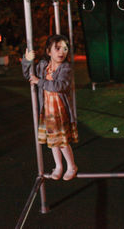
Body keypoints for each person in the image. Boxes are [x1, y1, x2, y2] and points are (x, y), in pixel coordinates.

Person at [22, 35, 78, 181]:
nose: (62, 52)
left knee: (62, 141)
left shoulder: (65, 68)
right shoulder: (42, 66)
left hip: (59, 110)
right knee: (53, 141)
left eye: (65, 49)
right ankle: (58, 166)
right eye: (57, 48)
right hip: (48, 110)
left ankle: (71, 166)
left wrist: (39, 82)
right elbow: (28, 74)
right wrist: (27, 60)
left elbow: (59, 85)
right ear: (48, 51)